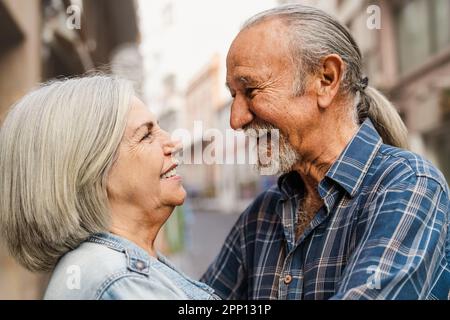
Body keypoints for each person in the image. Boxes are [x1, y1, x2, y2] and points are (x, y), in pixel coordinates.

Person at [201, 5, 450, 300]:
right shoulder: (261, 215)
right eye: (233, 96)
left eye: (251, 91)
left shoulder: (408, 185)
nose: (236, 119)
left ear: (326, 79)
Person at [0, 75, 219, 300]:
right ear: (93, 170)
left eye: (159, 128)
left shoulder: (106, 270)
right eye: (146, 135)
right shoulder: (120, 283)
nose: (174, 143)